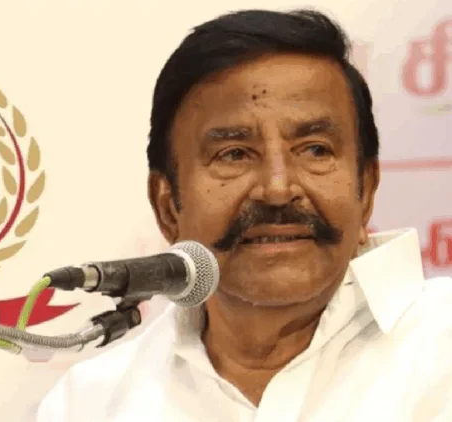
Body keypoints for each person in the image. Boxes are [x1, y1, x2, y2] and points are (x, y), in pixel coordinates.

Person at [36, 8, 452, 422]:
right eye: (234, 154)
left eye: (314, 150)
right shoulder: (90, 404)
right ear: (167, 207)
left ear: (367, 190)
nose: (278, 189)